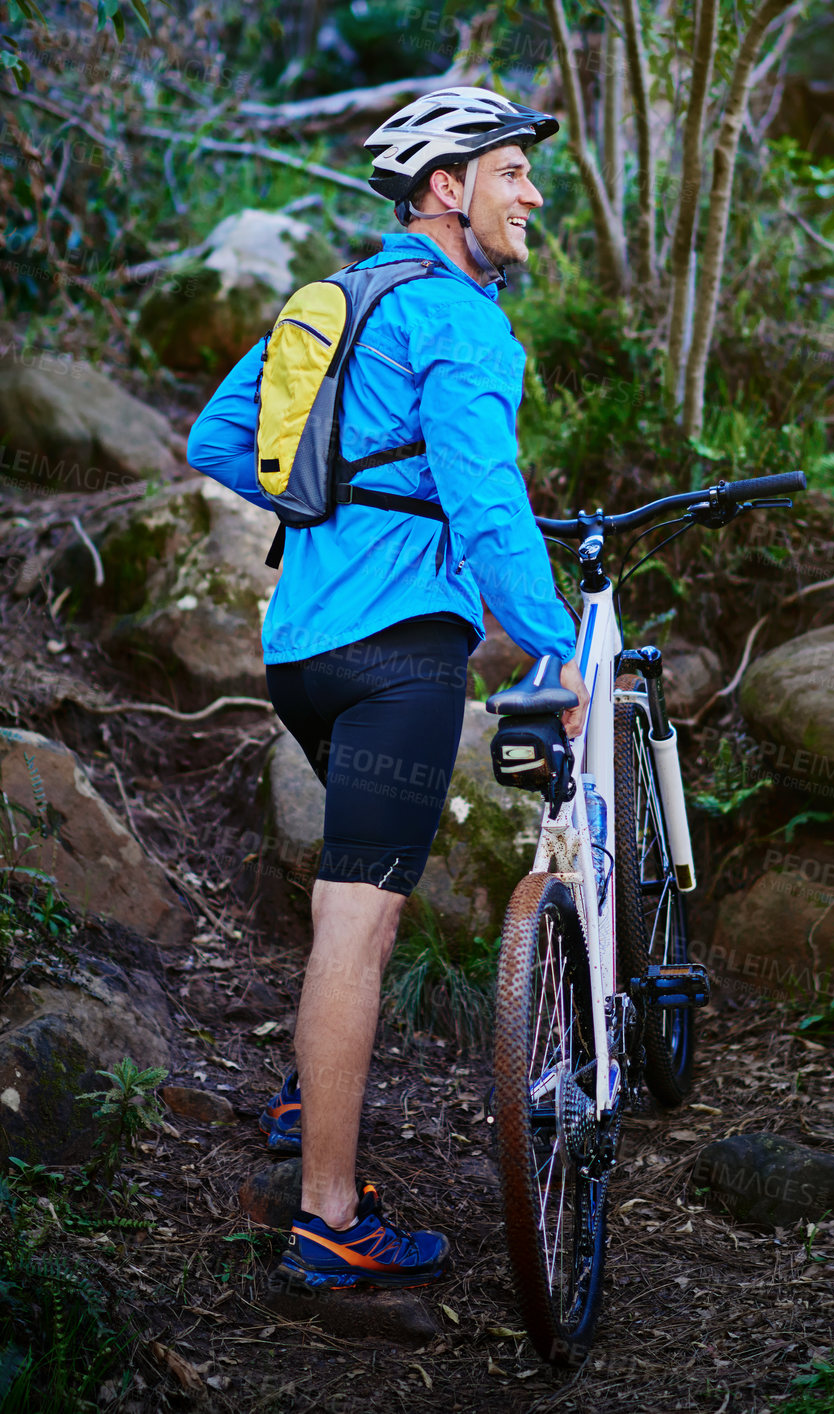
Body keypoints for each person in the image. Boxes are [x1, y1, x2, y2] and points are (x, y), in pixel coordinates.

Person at [186, 87, 587, 1291]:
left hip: (303, 655)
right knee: (358, 920)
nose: (529, 193)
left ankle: (308, 1098)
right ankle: (327, 1214)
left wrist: (340, 503)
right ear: (445, 186)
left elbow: (217, 439)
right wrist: (555, 647)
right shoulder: (465, 323)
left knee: (345, 911)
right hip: (405, 659)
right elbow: (488, 505)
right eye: (510, 170)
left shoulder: (338, 297)